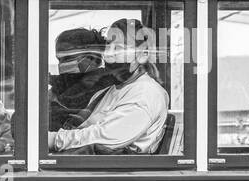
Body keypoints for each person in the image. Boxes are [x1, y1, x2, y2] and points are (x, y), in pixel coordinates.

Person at [49, 18, 169, 155]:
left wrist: (53, 140)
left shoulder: (146, 94)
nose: (108, 54)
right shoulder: (112, 89)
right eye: (108, 46)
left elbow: (103, 137)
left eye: (118, 48)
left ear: (142, 55)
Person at [48, 27, 126, 131]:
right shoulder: (68, 81)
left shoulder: (99, 85)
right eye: (59, 59)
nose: (61, 64)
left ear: (92, 58)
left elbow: (57, 114)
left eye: (67, 58)